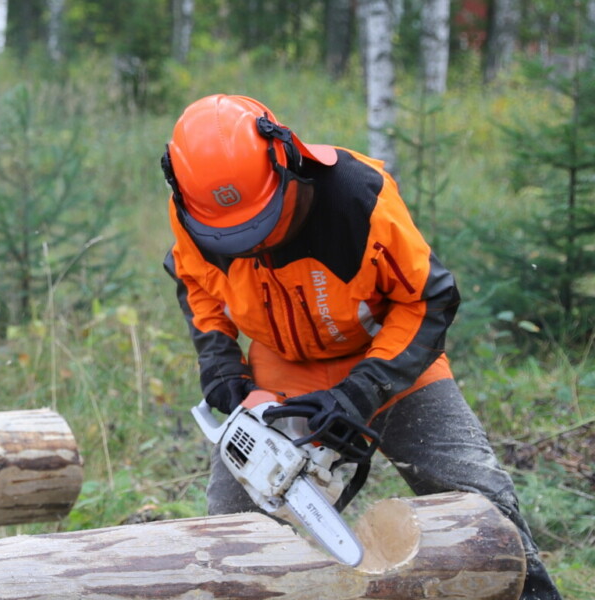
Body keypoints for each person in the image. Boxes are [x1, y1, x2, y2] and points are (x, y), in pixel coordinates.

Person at [160, 94, 561, 598]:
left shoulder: (357, 199)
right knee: (232, 527)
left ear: (286, 160)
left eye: (258, 224)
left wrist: (362, 392)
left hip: (386, 355)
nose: (251, 244)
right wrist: (223, 370)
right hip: (281, 366)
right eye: (232, 235)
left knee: (482, 507)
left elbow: (429, 299)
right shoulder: (193, 212)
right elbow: (196, 284)